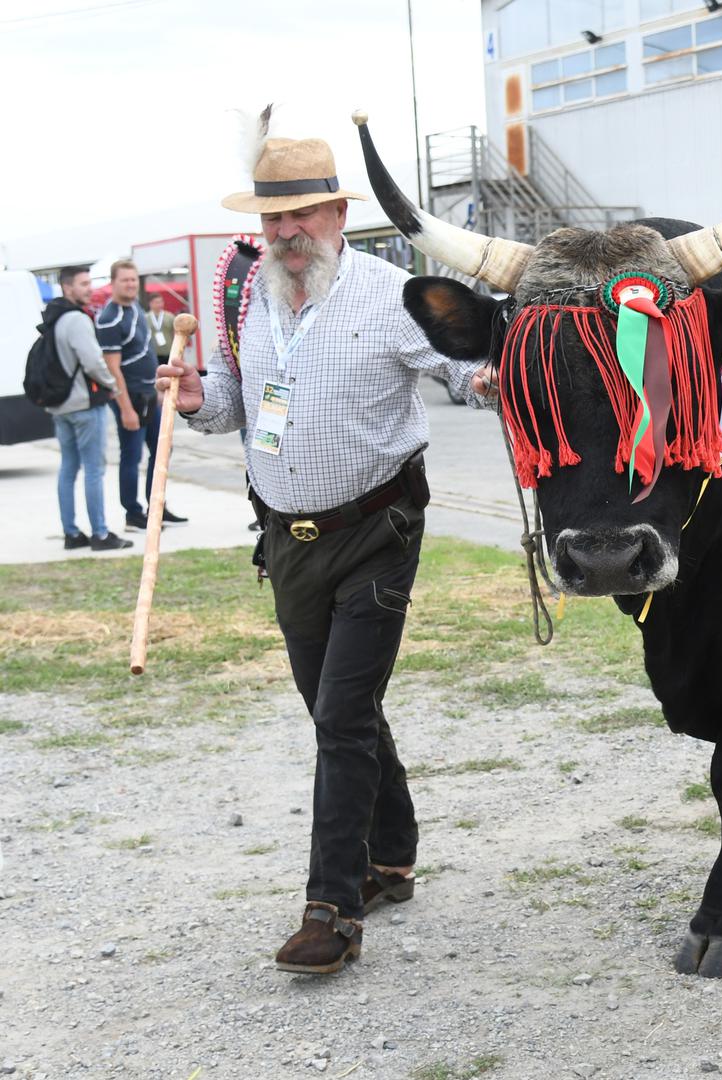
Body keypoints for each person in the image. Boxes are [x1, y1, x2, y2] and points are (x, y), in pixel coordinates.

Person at [156, 126, 492, 976]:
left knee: (341, 716)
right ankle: (394, 855)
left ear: (339, 212)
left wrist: (491, 376)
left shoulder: (392, 293)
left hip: (378, 532)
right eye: (272, 219)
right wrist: (199, 398)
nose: (284, 233)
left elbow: (461, 370)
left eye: (300, 214)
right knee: (336, 709)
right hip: (286, 537)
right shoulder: (251, 296)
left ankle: (332, 908)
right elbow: (235, 404)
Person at [44, 267, 133, 551]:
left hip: (61, 405)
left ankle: (71, 533)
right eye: (82, 284)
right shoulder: (76, 319)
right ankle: (100, 533)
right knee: (94, 469)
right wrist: (113, 387)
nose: (88, 289)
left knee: (68, 468)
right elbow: (94, 362)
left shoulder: (53, 318)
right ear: (67, 287)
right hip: (84, 404)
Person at [97, 259, 186, 530]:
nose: (131, 284)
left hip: (150, 393)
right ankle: (133, 514)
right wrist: (125, 408)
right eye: (125, 280)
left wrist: (158, 389)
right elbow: (112, 369)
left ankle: (156, 506)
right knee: (132, 455)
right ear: (113, 283)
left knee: (161, 449)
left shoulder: (136, 308)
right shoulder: (108, 319)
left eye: (134, 279)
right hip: (131, 397)